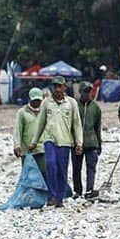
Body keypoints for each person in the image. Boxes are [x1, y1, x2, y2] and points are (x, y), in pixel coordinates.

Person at [31, 76, 83, 207]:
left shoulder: (71, 103)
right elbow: (40, 124)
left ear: (65, 87)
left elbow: (77, 124)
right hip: (49, 139)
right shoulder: (46, 103)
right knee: (50, 165)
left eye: (60, 86)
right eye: (55, 86)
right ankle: (52, 195)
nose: (58, 89)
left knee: (62, 170)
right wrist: (34, 141)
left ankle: (59, 198)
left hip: (65, 141)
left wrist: (79, 142)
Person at [72, 81, 102, 199]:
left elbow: (98, 127)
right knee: (76, 168)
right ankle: (77, 191)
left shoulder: (96, 108)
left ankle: (89, 189)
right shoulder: (74, 106)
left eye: (89, 91)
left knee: (91, 168)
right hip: (76, 143)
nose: (88, 94)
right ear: (80, 92)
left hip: (92, 143)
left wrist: (99, 144)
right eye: (85, 91)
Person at [13, 87, 46, 178]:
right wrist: (17, 145)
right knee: (28, 175)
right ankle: (29, 192)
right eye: (35, 100)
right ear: (30, 99)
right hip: (27, 150)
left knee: (44, 172)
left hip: (41, 148)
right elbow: (17, 130)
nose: (37, 103)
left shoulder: (44, 111)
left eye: (39, 100)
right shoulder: (22, 112)